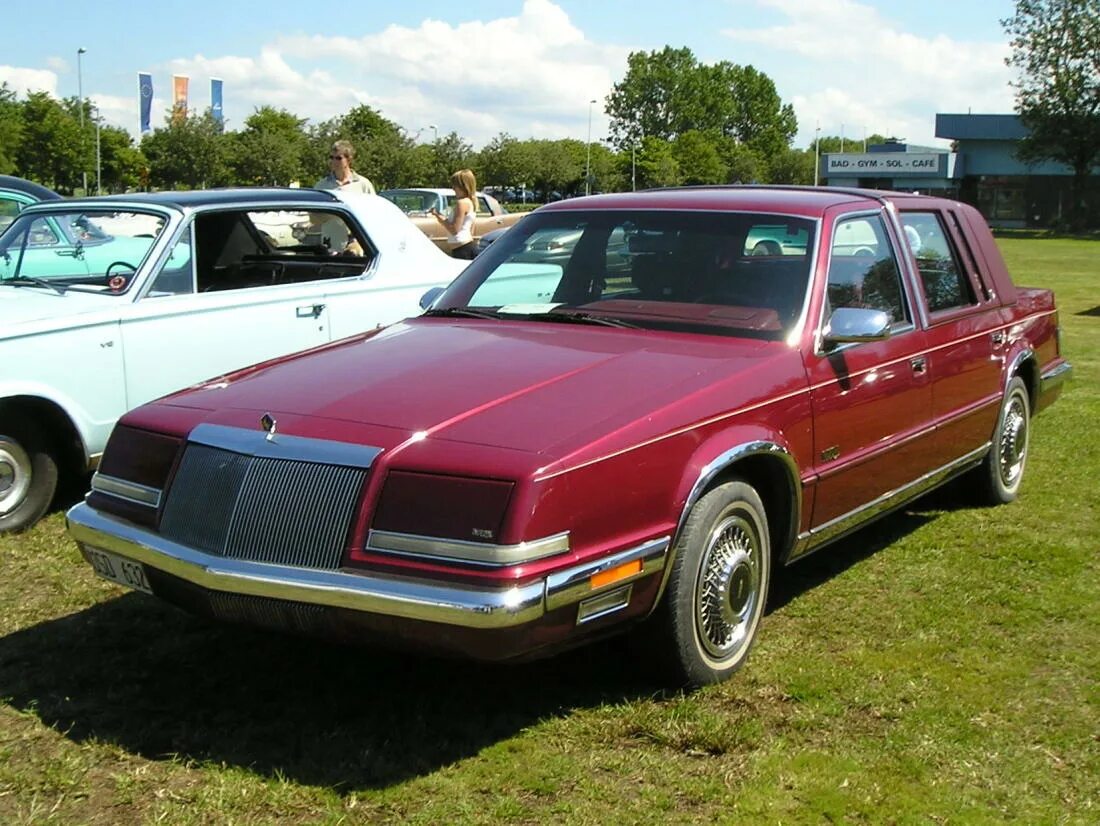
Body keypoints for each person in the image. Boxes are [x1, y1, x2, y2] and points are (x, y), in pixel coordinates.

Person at [430, 169, 479, 260]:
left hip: (463, 249)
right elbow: (471, 229)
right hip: (465, 246)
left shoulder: (462, 203)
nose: (453, 188)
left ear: (462, 186)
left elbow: (454, 229)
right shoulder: (470, 202)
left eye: (455, 185)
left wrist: (438, 215)